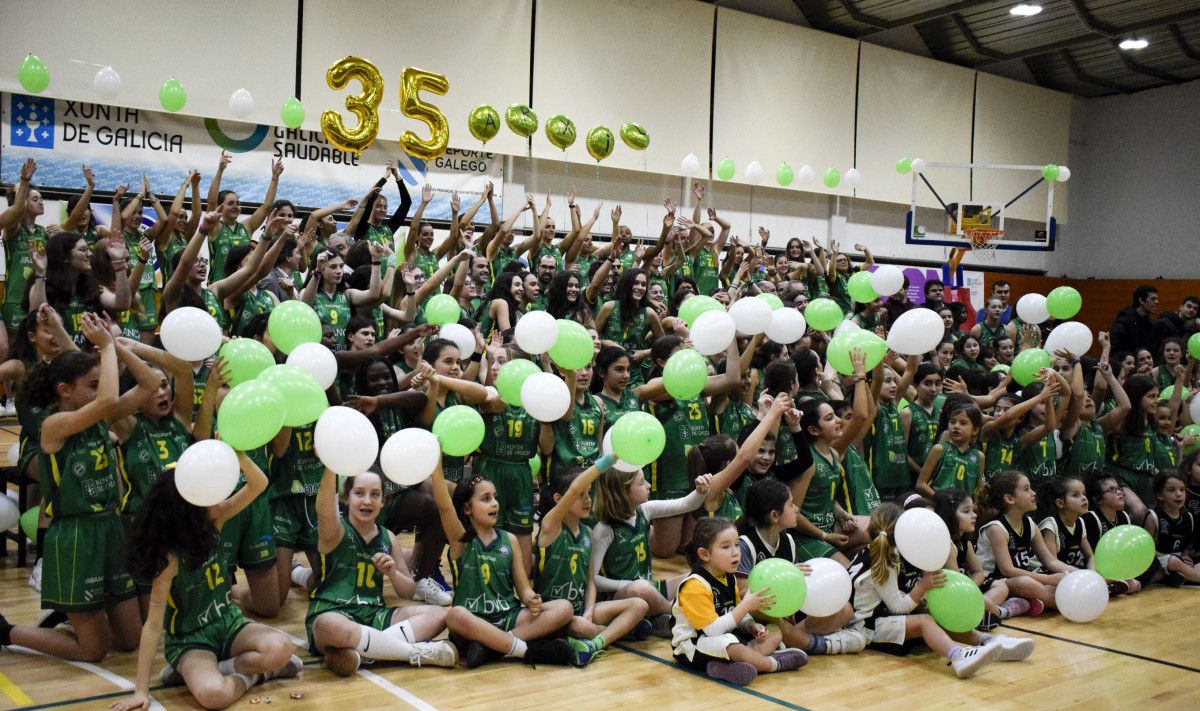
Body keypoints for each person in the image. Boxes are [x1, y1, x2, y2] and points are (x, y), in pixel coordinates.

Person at [0, 314, 158, 662]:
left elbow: (150, 383)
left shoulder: (99, 418)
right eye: (92, 384)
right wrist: (103, 349)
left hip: (112, 529)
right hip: (75, 536)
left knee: (131, 640)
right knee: (94, 651)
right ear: (65, 391)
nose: (101, 390)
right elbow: (106, 401)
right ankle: (6, 631)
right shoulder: (54, 425)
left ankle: (77, 613)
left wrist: (114, 346)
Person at [108, 450, 301, 711]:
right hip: (190, 640)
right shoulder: (170, 559)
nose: (217, 495)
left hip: (227, 622)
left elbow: (259, 485)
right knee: (213, 696)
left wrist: (239, 455)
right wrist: (141, 690)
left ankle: (223, 669)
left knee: (282, 648)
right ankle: (252, 673)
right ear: (188, 505)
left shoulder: (217, 518)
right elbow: (153, 626)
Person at [843, 503, 1030, 678]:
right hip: (865, 628)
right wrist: (922, 587)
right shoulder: (883, 561)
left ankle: (988, 641)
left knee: (935, 614)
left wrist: (922, 597)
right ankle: (958, 656)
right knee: (925, 621)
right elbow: (897, 607)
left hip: (875, 618)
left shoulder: (875, 551)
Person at [429, 460, 581, 668]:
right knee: (455, 615)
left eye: (494, 498)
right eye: (485, 499)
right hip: (474, 621)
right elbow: (445, 506)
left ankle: (492, 648)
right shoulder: (462, 540)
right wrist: (436, 461)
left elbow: (523, 587)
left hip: (507, 617)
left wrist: (530, 600)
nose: (494, 503)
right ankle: (520, 647)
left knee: (564, 608)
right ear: (467, 508)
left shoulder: (509, 539)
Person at [307, 468, 456, 675]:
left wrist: (393, 573)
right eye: (359, 493)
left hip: (374, 614)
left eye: (375, 494)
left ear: (384, 501)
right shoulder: (335, 530)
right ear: (345, 497)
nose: (367, 501)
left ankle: (368, 651)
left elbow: (408, 591)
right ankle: (412, 652)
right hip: (334, 612)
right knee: (327, 625)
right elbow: (324, 509)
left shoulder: (388, 537)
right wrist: (331, 465)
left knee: (439, 614)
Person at [535, 457, 650, 661]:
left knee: (640, 605)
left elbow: (590, 581)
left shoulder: (588, 532)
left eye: (589, 493)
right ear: (558, 498)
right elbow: (572, 489)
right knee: (578, 624)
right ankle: (618, 632)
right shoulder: (550, 527)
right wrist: (605, 463)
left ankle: (594, 643)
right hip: (553, 613)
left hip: (582, 608)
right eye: (581, 495)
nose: (588, 500)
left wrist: (588, 610)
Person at [670, 517, 809, 686]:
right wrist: (745, 606)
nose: (735, 551)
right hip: (693, 647)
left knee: (774, 631)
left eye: (736, 544)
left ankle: (729, 666)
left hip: (726, 637)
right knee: (729, 643)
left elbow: (735, 612)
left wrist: (751, 626)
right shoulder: (694, 586)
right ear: (705, 554)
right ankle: (772, 664)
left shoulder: (729, 577)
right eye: (726, 547)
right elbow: (712, 630)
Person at [735, 478, 861, 655]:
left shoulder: (788, 541)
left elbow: (794, 591)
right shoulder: (745, 545)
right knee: (775, 624)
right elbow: (742, 596)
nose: (797, 509)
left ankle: (794, 642)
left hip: (787, 616)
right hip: (757, 617)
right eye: (791, 505)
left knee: (844, 609)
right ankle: (821, 645)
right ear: (774, 515)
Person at [591, 466, 711, 638]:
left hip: (648, 588)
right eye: (641, 483)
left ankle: (659, 618)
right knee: (641, 588)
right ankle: (678, 617)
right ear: (623, 492)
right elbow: (593, 580)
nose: (648, 485)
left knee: (698, 576)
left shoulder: (645, 510)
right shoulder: (604, 530)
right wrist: (628, 585)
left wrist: (701, 491)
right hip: (618, 598)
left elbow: (686, 504)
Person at [932, 489, 1031, 629]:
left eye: (973, 510)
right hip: (949, 595)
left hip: (964, 589)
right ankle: (1001, 612)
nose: (974, 515)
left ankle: (981, 612)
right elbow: (956, 587)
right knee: (979, 598)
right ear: (949, 516)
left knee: (1000, 586)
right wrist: (970, 591)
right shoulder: (947, 545)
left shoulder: (964, 541)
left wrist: (971, 587)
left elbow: (979, 572)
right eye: (966, 511)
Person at [976, 471, 1071, 611]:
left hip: (1019, 578)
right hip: (994, 582)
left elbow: (1050, 561)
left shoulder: (1030, 524)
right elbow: (1007, 570)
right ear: (1009, 499)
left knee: (1053, 581)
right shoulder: (996, 529)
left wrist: (1076, 573)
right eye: (1027, 489)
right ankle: (1064, 602)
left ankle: (1022, 603)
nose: (1033, 493)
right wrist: (1049, 580)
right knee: (1027, 583)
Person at [917, 400, 984, 498]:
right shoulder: (939, 450)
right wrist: (942, 500)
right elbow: (920, 484)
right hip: (939, 506)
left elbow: (979, 490)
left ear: (975, 430)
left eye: (963, 423)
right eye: (952, 422)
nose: (956, 426)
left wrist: (973, 505)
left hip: (964, 510)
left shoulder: (979, 457)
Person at [1142, 471, 1200, 585]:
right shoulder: (1153, 517)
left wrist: (1186, 557)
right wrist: (1169, 557)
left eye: (1182, 489)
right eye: (1172, 490)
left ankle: (1177, 576)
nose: (1179, 494)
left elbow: (1187, 544)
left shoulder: (1188, 517)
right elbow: (1146, 549)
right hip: (1159, 561)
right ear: (1160, 495)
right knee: (1173, 562)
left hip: (1179, 561)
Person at [1110, 285, 1159, 357]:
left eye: (1156, 299)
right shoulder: (1122, 323)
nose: (1157, 302)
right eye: (1153, 299)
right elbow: (1116, 350)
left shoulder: (1149, 323)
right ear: (1141, 300)